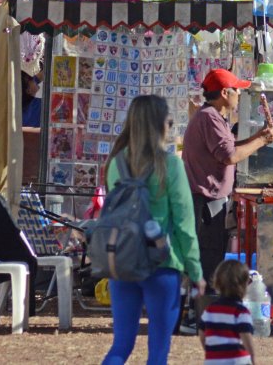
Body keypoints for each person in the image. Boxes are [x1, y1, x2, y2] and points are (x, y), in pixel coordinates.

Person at [102, 95, 204, 365]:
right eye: (169, 122)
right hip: (162, 261)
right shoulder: (170, 165)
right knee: (158, 348)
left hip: (122, 260)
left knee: (121, 345)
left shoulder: (116, 163)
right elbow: (184, 224)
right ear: (161, 125)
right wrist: (195, 271)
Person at [182, 69, 273, 293]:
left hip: (211, 197)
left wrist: (257, 137)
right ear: (225, 93)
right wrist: (263, 140)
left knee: (212, 253)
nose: (239, 94)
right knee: (209, 256)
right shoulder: (209, 117)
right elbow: (229, 156)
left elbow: (229, 146)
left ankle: (202, 307)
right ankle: (201, 312)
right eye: (237, 90)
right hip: (205, 198)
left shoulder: (213, 116)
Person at [199, 259, 255, 365]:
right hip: (236, 360)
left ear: (217, 283)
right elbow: (246, 335)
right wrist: (253, 356)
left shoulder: (210, 310)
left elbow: (202, 332)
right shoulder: (241, 311)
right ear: (244, 285)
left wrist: (209, 350)